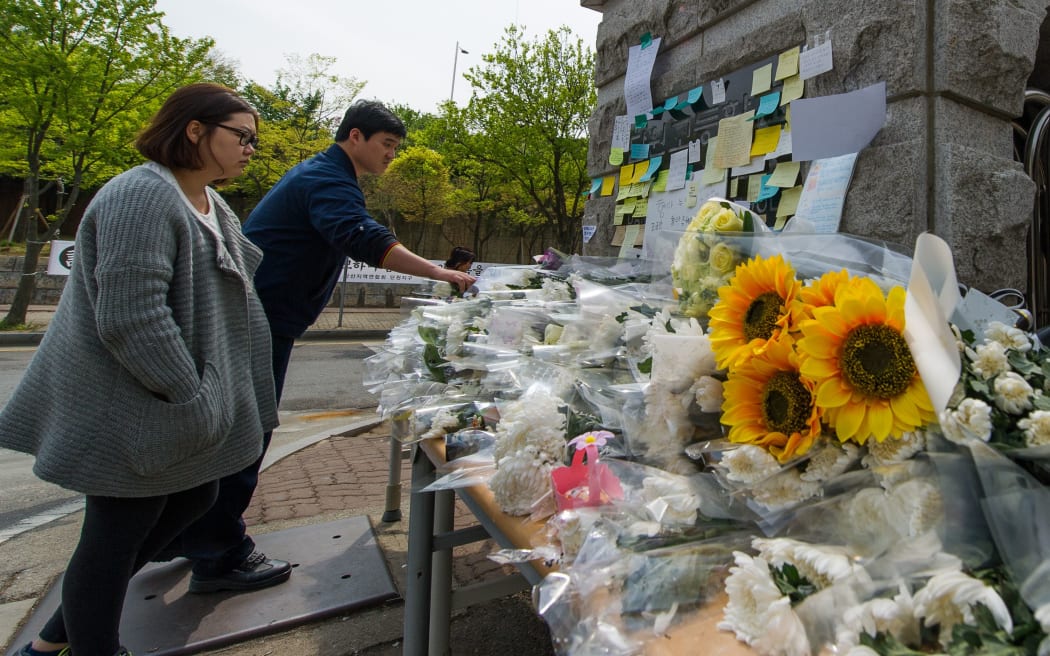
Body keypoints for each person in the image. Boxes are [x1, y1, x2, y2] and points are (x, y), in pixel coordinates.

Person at [0, 83, 277, 656]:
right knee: (115, 535)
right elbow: (132, 317)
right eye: (242, 136)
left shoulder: (207, 199)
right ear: (195, 130)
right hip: (131, 406)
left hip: (168, 404)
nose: (251, 149)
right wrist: (192, 396)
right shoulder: (141, 195)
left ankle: (48, 645)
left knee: (193, 499)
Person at [159, 99, 476, 593]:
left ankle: (190, 534)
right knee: (248, 432)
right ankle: (219, 554)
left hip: (257, 314)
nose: (392, 155)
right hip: (257, 318)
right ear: (355, 136)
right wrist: (439, 272)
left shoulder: (325, 173)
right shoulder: (326, 178)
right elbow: (361, 236)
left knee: (231, 428)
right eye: (387, 144)